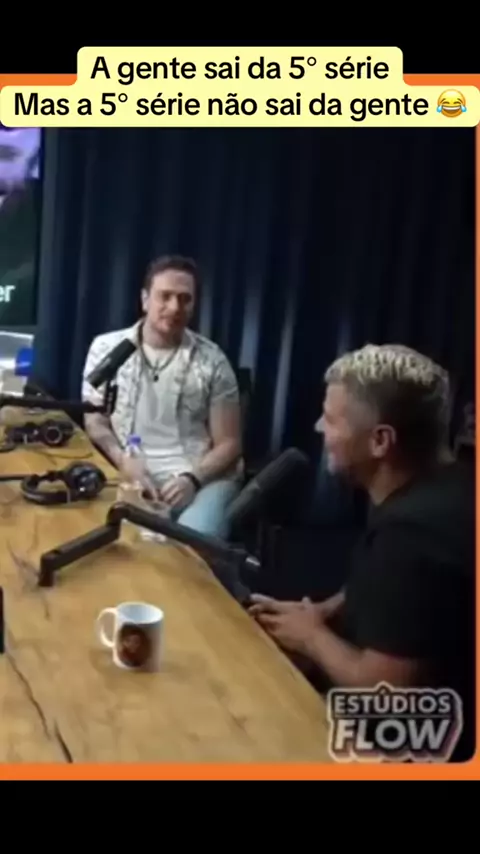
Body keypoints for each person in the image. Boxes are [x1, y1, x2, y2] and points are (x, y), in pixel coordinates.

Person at [248, 343, 475, 762]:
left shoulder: (411, 535)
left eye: (332, 419)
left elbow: (385, 692)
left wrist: (311, 636)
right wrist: (325, 611)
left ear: (380, 441)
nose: (319, 428)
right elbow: (403, 596)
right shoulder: (451, 485)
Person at [82, 254, 243, 538]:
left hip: (201, 480)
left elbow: (230, 443)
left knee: (193, 548)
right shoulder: (107, 349)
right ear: (145, 300)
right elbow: (95, 422)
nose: (175, 307)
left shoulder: (213, 361)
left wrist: (192, 480)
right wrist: (123, 461)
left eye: (185, 299)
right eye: (165, 296)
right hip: (130, 473)